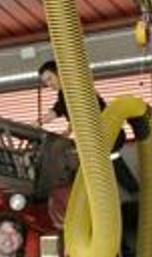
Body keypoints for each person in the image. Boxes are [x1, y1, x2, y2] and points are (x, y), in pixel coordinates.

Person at [37, 60, 140, 194]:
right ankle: (130, 189)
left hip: (106, 134)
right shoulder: (65, 94)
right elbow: (73, 113)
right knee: (105, 161)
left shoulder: (74, 88)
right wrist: (68, 131)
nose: (49, 84)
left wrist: (38, 122)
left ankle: (131, 189)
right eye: (46, 82)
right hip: (100, 137)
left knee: (90, 161)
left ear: (59, 73)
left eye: (50, 79)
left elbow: (57, 110)